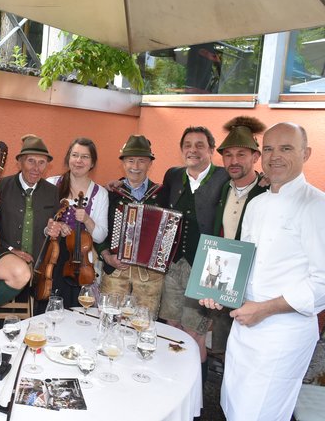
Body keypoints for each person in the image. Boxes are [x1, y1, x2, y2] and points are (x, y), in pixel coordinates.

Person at [200, 122, 325, 421]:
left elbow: (322, 282)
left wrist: (266, 309)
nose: (275, 156)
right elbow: (248, 264)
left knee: (259, 413)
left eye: (286, 148)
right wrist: (219, 292)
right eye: (268, 148)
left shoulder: (316, 205)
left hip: (284, 331)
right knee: (233, 405)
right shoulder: (257, 204)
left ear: (305, 153)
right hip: (245, 325)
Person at [158, 126, 228, 383]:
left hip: (208, 267)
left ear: (211, 150)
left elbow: (250, 183)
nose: (193, 150)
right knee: (170, 325)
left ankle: (196, 394)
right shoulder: (173, 175)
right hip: (174, 265)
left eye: (200, 145)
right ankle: (171, 382)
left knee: (195, 333)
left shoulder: (224, 177)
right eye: (188, 144)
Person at [210, 116, 268, 359]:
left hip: (254, 282)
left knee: (247, 348)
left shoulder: (267, 190)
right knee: (221, 343)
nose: (234, 161)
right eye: (228, 155)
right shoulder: (223, 187)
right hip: (225, 275)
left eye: (241, 154)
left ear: (256, 157)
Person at [0, 134, 61, 311]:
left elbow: (51, 230)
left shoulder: (52, 191)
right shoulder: (1, 186)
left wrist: (51, 231)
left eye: (42, 162)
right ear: (19, 162)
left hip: (37, 267)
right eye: (31, 161)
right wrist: (10, 250)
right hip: (3, 259)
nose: (36, 168)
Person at [98, 135, 165, 317]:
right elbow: (97, 230)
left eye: (141, 161)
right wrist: (106, 256)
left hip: (149, 274)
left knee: (143, 322)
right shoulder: (110, 194)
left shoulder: (163, 194)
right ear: (123, 163)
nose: (135, 167)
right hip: (116, 268)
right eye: (130, 161)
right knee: (109, 318)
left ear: (150, 163)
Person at [47, 137, 109, 308]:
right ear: (68, 158)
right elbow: (41, 220)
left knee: (77, 305)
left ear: (92, 163)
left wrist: (88, 220)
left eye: (85, 157)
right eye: (75, 155)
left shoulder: (100, 194)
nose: (79, 161)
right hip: (52, 254)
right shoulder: (51, 184)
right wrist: (55, 225)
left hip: (81, 261)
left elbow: (100, 236)